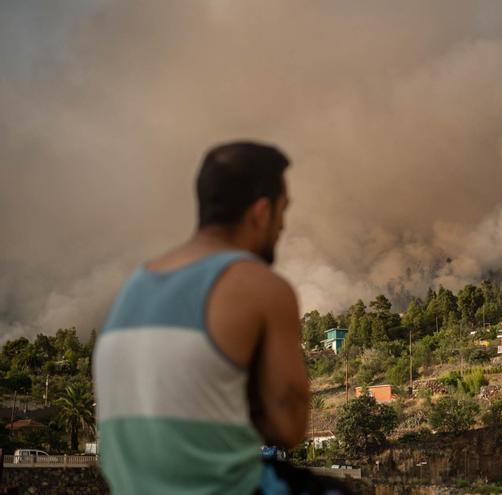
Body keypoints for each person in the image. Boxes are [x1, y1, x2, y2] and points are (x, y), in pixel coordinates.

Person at [94, 142, 347, 494]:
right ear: (260, 212)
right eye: (282, 210)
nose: (283, 226)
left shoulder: (133, 287)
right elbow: (289, 428)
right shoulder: (261, 286)